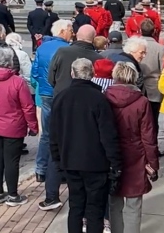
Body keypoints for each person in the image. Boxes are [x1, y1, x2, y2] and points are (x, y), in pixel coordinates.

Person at [49, 58, 122, 233]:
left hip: (70, 162)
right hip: (95, 164)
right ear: (92, 74)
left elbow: (53, 134)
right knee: (95, 210)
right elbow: (108, 135)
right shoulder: (99, 98)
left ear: (72, 74)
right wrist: (116, 163)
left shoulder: (60, 98)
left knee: (76, 207)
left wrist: (57, 160)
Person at [104, 62, 158, 233]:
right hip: (136, 155)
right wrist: (153, 163)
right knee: (134, 204)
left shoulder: (104, 98)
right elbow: (148, 136)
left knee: (114, 201)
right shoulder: (142, 102)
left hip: (111, 155)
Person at [0, 47, 37, 207]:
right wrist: (33, 126)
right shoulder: (17, 82)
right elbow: (27, 107)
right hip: (14, 127)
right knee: (12, 161)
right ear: (10, 62)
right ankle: (13, 194)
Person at [31, 18, 72, 188]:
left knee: (47, 133)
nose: (73, 32)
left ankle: (41, 169)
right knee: (64, 133)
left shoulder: (42, 47)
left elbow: (34, 74)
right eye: (70, 29)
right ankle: (61, 169)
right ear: (63, 31)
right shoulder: (68, 49)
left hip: (46, 94)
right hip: (63, 94)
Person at [48, 24, 102, 94]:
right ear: (94, 38)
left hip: (61, 96)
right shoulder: (99, 58)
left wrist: (59, 88)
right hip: (88, 98)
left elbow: (51, 77)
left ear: (77, 35)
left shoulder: (62, 52)